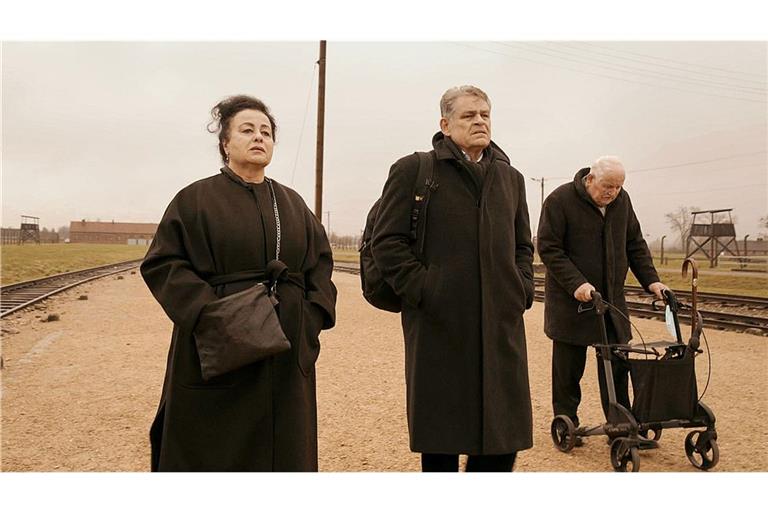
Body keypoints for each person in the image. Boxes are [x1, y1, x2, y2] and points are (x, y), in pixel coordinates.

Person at [141, 95, 337, 471]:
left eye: (266, 132)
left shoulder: (294, 204)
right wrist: (211, 314)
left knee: (283, 453)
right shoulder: (194, 200)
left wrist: (310, 318)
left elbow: (320, 268)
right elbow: (163, 263)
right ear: (225, 143)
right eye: (247, 130)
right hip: (218, 344)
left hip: (285, 349)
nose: (259, 137)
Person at [371, 85, 535, 472]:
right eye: (468, 116)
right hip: (440, 328)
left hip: (500, 326)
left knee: (500, 442)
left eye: (485, 115)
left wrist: (520, 290)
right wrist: (428, 290)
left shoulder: (511, 178)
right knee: (441, 441)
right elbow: (387, 243)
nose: (480, 121)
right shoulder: (415, 169)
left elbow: (523, 246)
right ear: (445, 124)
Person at [537, 156, 668, 437]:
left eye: (619, 187)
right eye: (608, 185)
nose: (613, 192)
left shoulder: (622, 203)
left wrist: (652, 281)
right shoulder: (559, 200)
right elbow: (549, 249)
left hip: (611, 302)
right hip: (572, 303)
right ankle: (566, 421)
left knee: (617, 365)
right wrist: (578, 284)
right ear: (590, 179)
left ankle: (620, 424)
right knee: (568, 371)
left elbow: (635, 244)